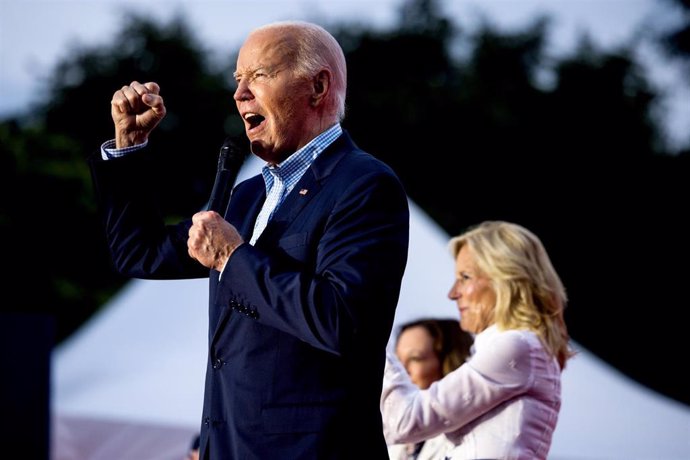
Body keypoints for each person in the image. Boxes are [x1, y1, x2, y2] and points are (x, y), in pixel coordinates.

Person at [88, 20, 410, 459]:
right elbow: (139, 254)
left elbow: (344, 323)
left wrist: (233, 257)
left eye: (259, 76)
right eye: (238, 79)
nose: (240, 94)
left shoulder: (364, 184)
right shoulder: (247, 196)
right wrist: (128, 145)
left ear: (317, 87)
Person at [381, 221, 574, 460]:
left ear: (505, 278)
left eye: (465, 277)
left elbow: (404, 421)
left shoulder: (518, 347)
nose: (453, 293)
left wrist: (368, 337)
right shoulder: (519, 349)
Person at [387, 318, 473, 460]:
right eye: (398, 361)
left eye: (415, 358)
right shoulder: (394, 435)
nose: (402, 371)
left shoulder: (464, 439)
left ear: (447, 363)